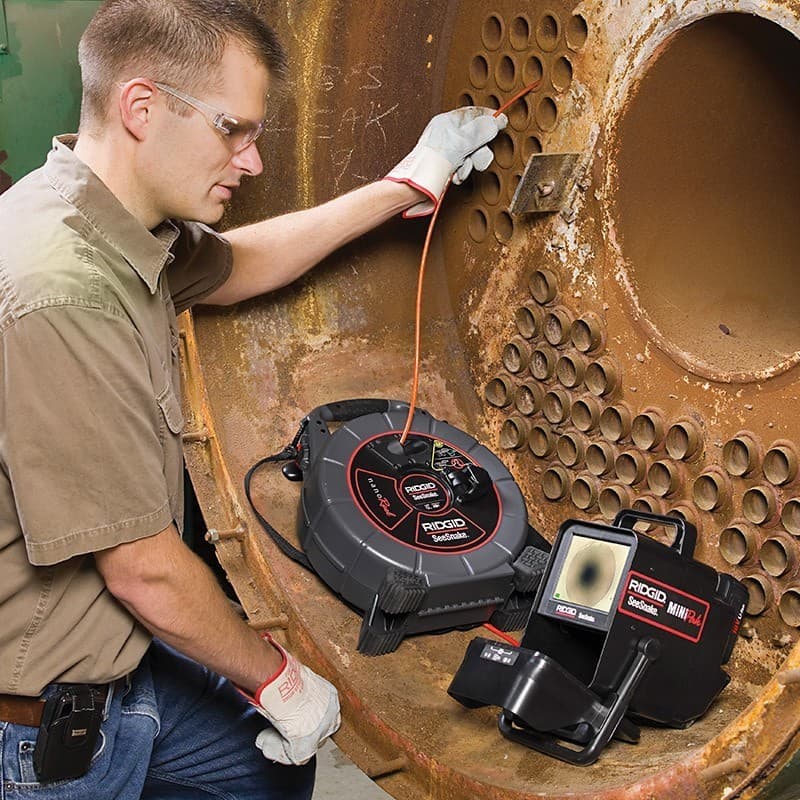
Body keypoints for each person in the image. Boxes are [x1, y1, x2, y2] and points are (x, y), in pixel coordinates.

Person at [0, 0, 507, 797]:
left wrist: (404, 185)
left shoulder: (109, 222)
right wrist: (280, 680)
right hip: (42, 730)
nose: (254, 162)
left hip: (126, 671)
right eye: (232, 130)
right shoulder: (62, 291)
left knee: (260, 776)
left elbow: (238, 265)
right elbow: (143, 571)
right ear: (141, 108)